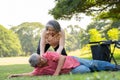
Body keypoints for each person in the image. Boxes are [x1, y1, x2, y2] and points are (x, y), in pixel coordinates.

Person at [8, 51, 120, 78]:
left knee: (93, 63)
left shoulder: (48, 54)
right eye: (40, 61)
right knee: (85, 70)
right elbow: (30, 74)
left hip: (72, 60)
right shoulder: (40, 69)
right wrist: (16, 75)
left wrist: (56, 72)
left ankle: (115, 67)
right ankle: (99, 69)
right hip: (72, 69)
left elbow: (61, 57)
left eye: (41, 58)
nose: (42, 59)